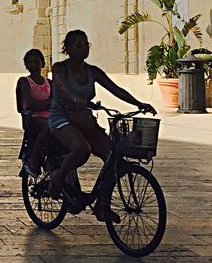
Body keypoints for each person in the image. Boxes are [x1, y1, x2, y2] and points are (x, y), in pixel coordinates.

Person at [48, 29, 155, 213]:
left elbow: (115, 89)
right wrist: (73, 96)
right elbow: (60, 85)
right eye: (79, 45)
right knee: (82, 150)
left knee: (113, 157)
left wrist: (139, 103)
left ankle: (101, 205)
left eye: (86, 44)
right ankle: (59, 175)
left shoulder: (93, 72)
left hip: (84, 119)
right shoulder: (59, 68)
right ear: (68, 48)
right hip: (62, 118)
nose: (84, 49)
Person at [16, 48, 52, 177]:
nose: (33, 65)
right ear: (25, 64)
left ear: (43, 63)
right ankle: (34, 159)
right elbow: (31, 104)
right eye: (30, 62)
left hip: (50, 117)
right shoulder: (24, 82)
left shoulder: (49, 83)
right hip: (33, 119)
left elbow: (57, 101)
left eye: (36, 62)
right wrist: (49, 103)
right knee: (50, 126)